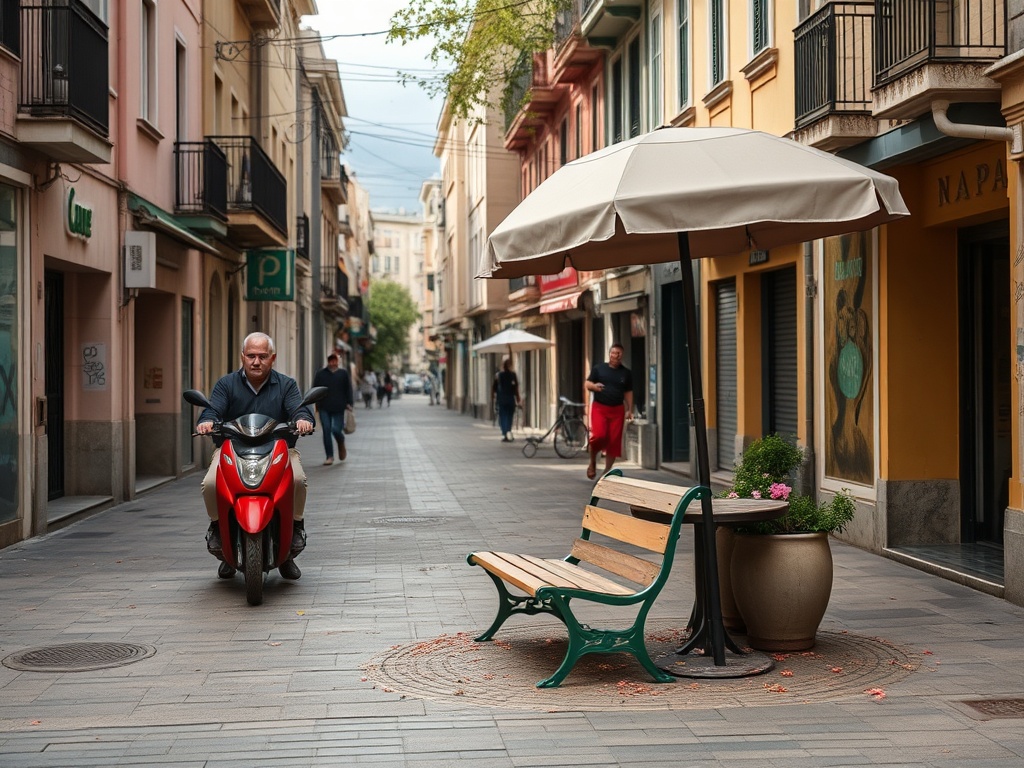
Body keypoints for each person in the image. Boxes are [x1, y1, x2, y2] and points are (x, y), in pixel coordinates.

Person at [196, 332, 314, 581]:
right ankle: (219, 529)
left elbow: (298, 408)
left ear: (273, 358)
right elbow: (213, 409)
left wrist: (303, 420)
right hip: (232, 449)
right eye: (251, 356)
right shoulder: (226, 384)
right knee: (210, 483)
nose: (256, 361)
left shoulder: (286, 385)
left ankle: (295, 531)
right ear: (242, 357)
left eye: (262, 356)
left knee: (298, 480)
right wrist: (207, 421)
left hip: (279, 450)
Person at [584, 342, 633, 480]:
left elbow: (628, 392)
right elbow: (587, 383)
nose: (616, 356)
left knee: (613, 442)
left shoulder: (626, 373)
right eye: (613, 353)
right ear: (609, 354)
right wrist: (594, 387)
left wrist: (630, 409)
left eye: (619, 353)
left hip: (618, 410)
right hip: (600, 408)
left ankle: (606, 472)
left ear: (622, 355)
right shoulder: (599, 369)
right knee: (599, 436)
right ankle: (592, 461)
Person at [312, 353, 354, 466]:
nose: (333, 363)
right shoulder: (321, 374)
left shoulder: (343, 374)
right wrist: (315, 403)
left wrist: (350, 403)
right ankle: (329, 456)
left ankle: (341, 441)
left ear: (338, 362)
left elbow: (348, 389)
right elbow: (315, 389)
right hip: (324, 407)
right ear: (328, 362)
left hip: (339, 407)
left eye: (335, 361)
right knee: (326, 430)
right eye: (331, 361)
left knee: (336, 430)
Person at [492, 357, 521, 442]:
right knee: (509, 416)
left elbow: (494, 387)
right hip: (510, 399)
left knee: (503, 416)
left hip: (501, 399)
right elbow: (516, 388)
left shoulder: (498, 375)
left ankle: (505, 433)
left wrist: (493, 397)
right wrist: (518, 398)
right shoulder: (513, 375)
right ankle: (508, 431)